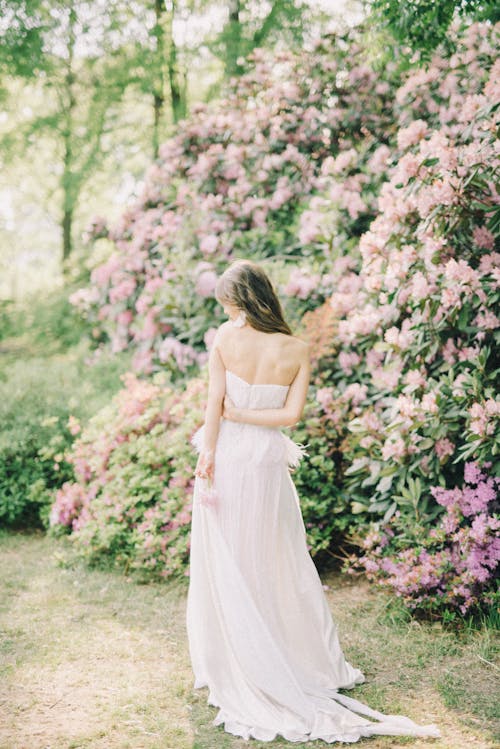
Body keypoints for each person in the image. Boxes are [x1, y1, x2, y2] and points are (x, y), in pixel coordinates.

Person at [186, 259, 440, 743]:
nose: (228, 311)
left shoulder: (224, 337)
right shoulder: (296, 348)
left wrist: (210, 453)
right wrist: (246, 415)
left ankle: (241, 655)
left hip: (229, 455)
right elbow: (291, 415)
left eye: (230, 303)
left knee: (228, 559)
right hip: (265, 461)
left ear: (241, 302)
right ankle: (283, 646)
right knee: (271, 554)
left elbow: (213, 404)